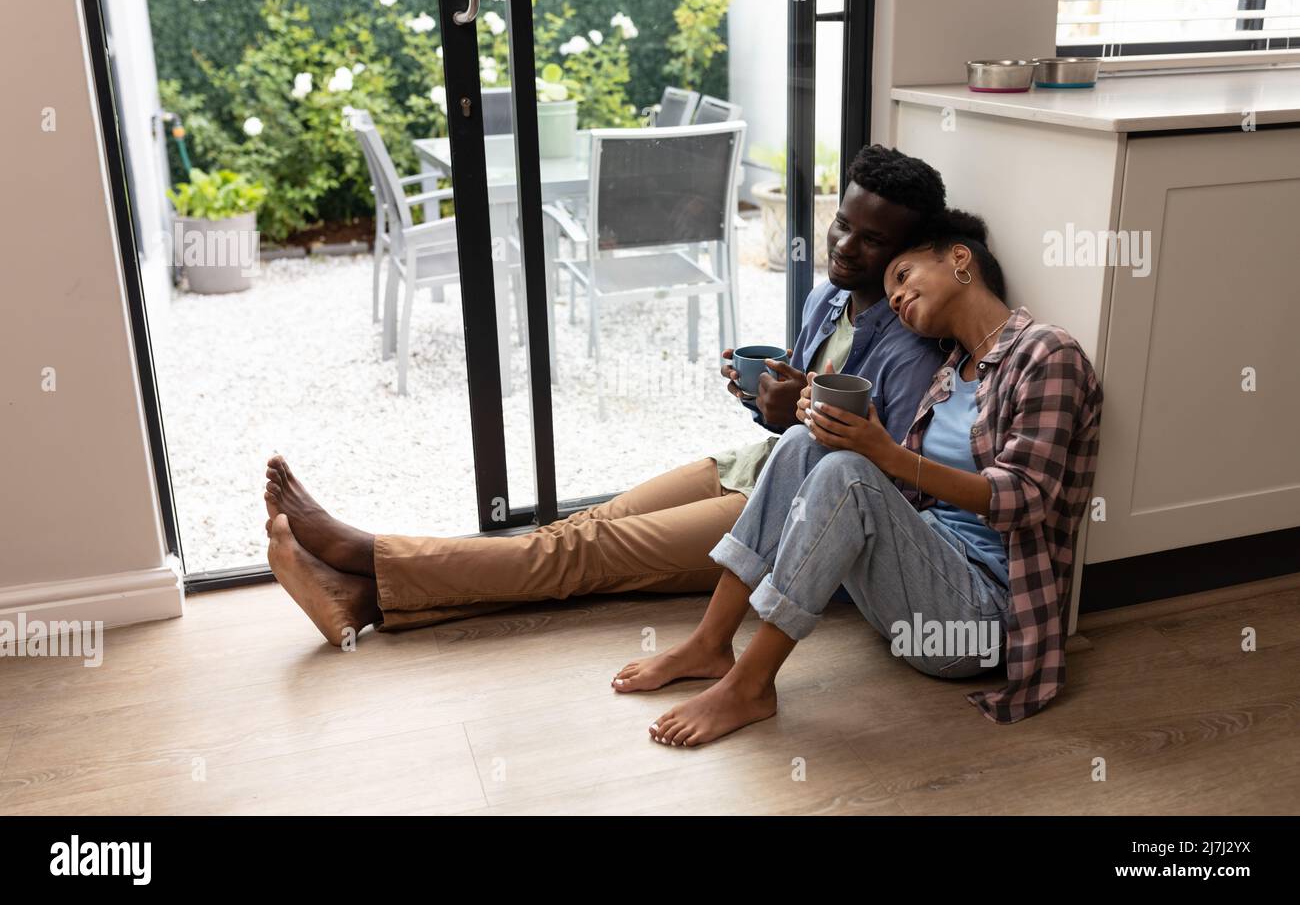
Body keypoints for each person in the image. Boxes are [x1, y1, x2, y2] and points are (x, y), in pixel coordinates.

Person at [264, 146, 950, 646]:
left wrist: (796, 414)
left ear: (909, 251)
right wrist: (763, 398)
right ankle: (364, 597)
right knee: (580, 529)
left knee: (580, 559)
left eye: (872, 240)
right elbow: (788, 415)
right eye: (842, 225)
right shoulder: (829, 297)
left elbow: (882, 486)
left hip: (792, 513)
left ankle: (366, 555)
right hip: (756, 465)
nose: (846, 247)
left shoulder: (913, 345)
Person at [612, 209, 1103, 745]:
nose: (895, 298)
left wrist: (883, 455)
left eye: (904, 277)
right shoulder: (949, 374)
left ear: (959, 259)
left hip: (979, 623)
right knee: (807, 441)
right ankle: (710, 642)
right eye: (891, 293)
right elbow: (908, 496)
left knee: (848, 469)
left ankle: (751, 686)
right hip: (917, 590)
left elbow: (1025, 499)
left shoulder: (1046, 353)